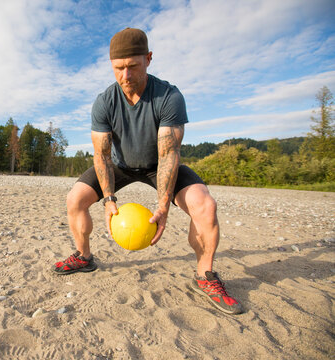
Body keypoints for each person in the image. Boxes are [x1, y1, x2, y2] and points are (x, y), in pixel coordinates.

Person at [52, 28, 243, 315]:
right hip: (119, 165)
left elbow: (168, 154)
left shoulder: (169, 96)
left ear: (149, 59)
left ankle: (205, 276)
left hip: (158, 166)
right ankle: (84, 257)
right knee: (75, 200)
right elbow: (102, 154)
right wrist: (108, 198)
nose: (125, 76)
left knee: (205, 206)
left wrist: (164, 206)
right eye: (118, 68)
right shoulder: (104, 101)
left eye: (133, 66)